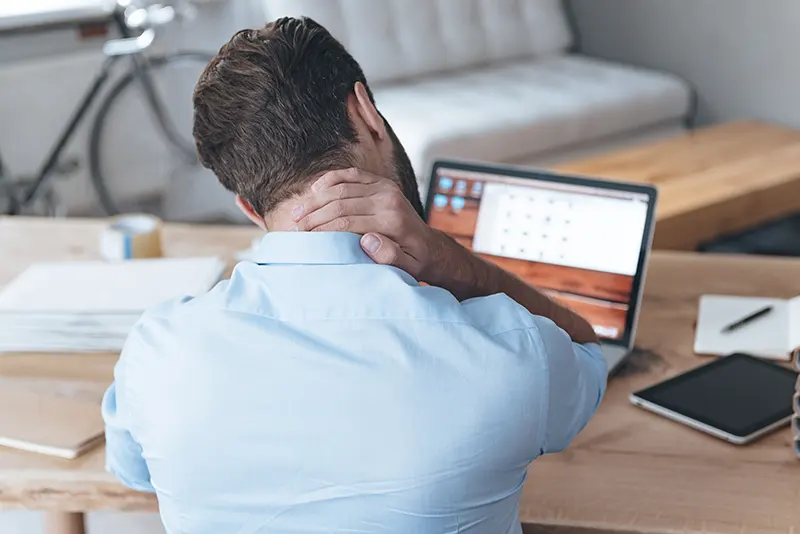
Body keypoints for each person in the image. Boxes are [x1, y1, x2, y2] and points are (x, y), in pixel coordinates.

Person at [102, 16, 606, 534]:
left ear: (249, 208)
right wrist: (446, 259)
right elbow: (588, 352)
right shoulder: (508, 351)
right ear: (365, 111)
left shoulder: (156, 354)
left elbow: (134, 470)